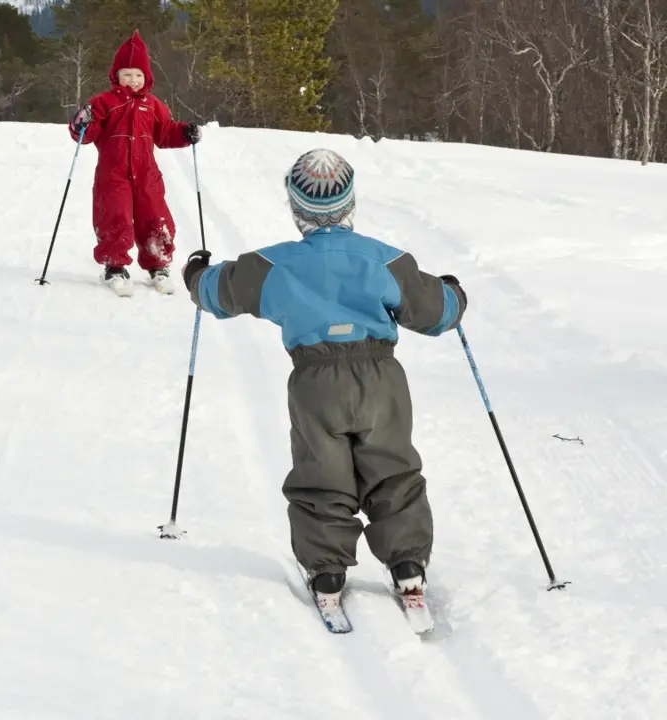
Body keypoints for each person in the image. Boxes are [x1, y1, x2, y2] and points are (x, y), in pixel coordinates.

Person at [179, 148, 467, 604]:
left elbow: (217, 294)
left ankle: (327, 567)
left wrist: (196, 274)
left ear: (296, 209)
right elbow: (437, 313)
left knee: (322, 472)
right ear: (351, 203)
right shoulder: (384, 260)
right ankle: (407, 561)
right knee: (392, 467)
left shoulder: (274, 265)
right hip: (381, 378)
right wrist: (452, 293)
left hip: (315, 381)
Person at [69, 30, 201, 296]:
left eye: (138, 75)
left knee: (155, 218)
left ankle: (159, 265)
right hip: (113, 174)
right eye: (127, 74)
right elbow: (86, 134)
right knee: (115, 218)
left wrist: (185, 132)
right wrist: (81, 122)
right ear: (116, 76)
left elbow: (164, 133)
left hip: (147, 175)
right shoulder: (103, 103)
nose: (133, 80)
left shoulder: (153, 106)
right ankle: (114, 266)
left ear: (147, 77)